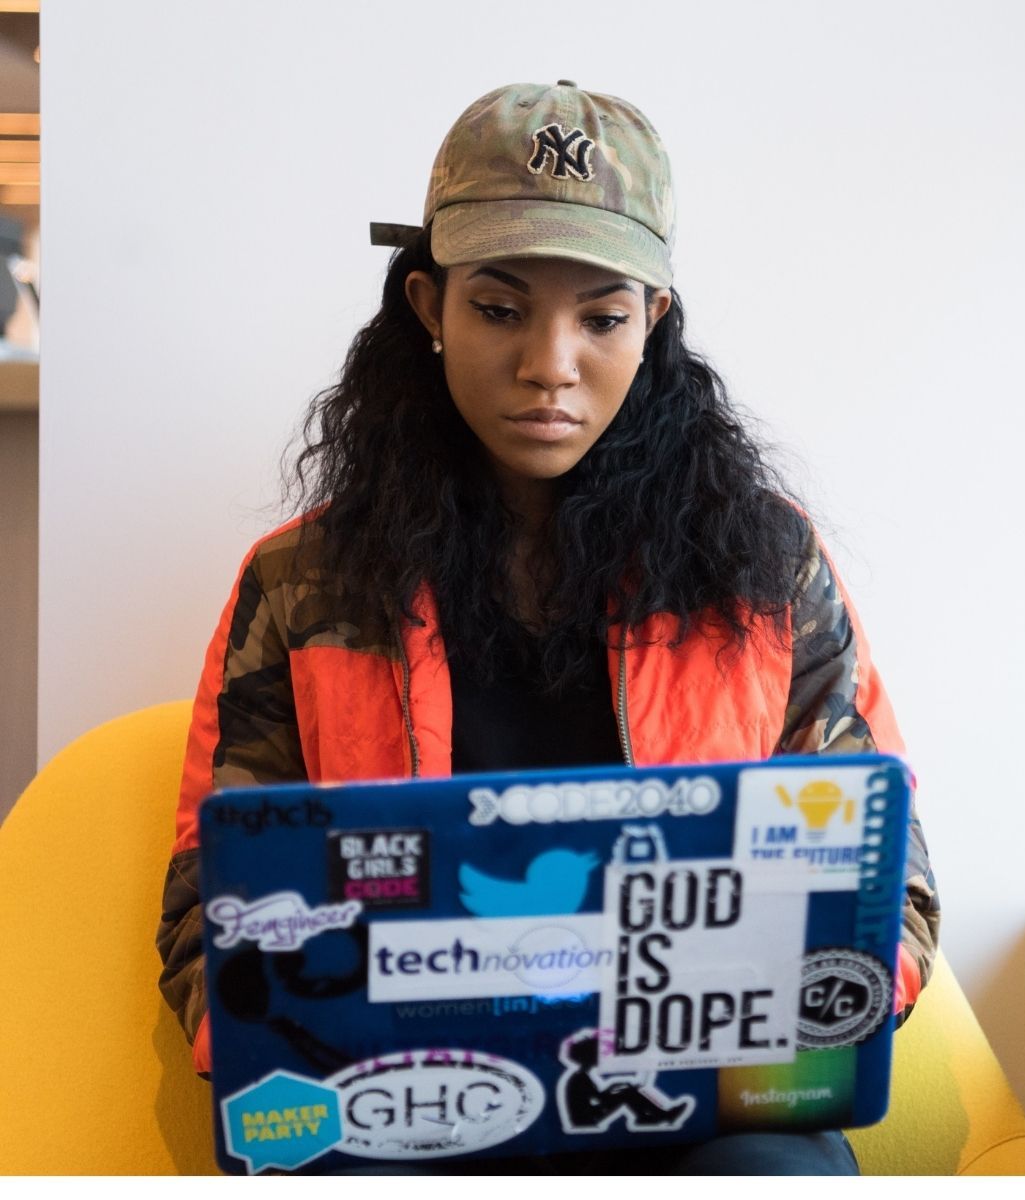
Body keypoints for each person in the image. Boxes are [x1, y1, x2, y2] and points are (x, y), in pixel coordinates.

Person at [156, 80, 940, 1176]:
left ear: (652, 321)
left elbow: (887, 883)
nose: (550, 365)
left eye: (602, 319)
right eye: (499, 309)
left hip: (702, 1114)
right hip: (403, 1101)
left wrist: (810, 1013)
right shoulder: (301, 584)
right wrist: (289, 1040)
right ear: (429, 307)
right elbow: (209, 901)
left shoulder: (764, 567)